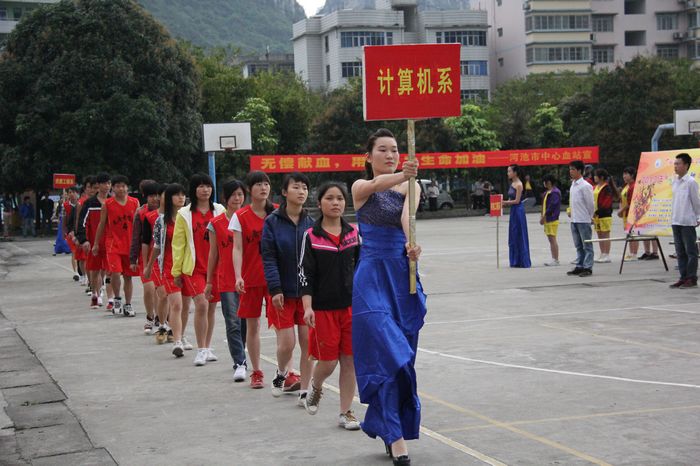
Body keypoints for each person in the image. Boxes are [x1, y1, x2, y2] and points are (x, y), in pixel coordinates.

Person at [351, 128, 425, 466]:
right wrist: (402, 174)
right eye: (383, 149)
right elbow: (377, 185)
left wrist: (411, 244)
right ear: (369, 156)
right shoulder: (360, 187)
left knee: (402, 360)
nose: (391, 154)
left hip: (401, 276)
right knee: (389, 352)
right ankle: (396, 440)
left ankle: (389, 426)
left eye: (394, 149)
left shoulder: (412, 186)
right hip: (370, 278)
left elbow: (408, 218)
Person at [300, 182, 360, 431]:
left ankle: (346, 412)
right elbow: (305, 274)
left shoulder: (354, 233)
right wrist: (308, 307)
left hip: (351, 308)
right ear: (320, 203)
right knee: (328, 362)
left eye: (340, 198)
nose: (336, 203)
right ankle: (315, 386)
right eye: (330, 198)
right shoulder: (311, 236)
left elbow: (362, 267)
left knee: (349, 361)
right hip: (323, 309)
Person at [262, 172, 314, 404]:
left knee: (308, 343)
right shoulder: (272, 222)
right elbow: (269, 257)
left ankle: (305, 391)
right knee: (287, 344)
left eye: (304, 188)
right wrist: (275, 289)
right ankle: (281, 372)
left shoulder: (311, 223)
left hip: (306, 294)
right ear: (284, 192)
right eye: (296, 187)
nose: (301, 191)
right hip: (282, 292)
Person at [171, 174, 225, 366]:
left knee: (211, 308)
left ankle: (207, 347)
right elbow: (178, 244)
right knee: (201, 304)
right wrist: (176, 271)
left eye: (208, 186)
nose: (205, 190)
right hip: (193, 268)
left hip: (216, 268)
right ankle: (200, 349)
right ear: (194, 190)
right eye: (201, 186)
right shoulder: (184, 214)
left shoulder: (219, 210)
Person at [230, 171, 277, 389]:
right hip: (251, 278)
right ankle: (256, 372)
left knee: (282, 326)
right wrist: (238, 275)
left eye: (266, 184)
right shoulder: (240, 216)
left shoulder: (278, 212)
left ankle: (285, 371)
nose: (263, 188)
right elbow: (237, 248)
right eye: (258, 184)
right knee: (253, 325)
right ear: (250, 189)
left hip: (275, 279)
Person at [204, 179, 248, 382]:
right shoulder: (215, 223)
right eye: (233, 195)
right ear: (225, 198)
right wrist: (209, 281)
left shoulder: (249, 219)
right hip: (226, 279)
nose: (237, 198)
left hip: (248, 278)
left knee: (246, 322)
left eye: (240, 194)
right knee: (232, 322)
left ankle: (243, 351)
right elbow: (213, 254)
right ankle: (239, 362)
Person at [145, 183, 189, 357]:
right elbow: (157, 246)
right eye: (177, 194)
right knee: (176, 304)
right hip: (170, 267)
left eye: (183, 194)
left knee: (186, 305)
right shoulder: (161, 221)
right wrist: (149, 266)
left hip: (188, 267)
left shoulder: (189, 217)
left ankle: (182, 335)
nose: (181, 197)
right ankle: (177, 341)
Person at [93, 175, 140, 316]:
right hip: (113, 245)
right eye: (118, 186)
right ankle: (117, 298)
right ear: (113, 188)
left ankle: (128, 304)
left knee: (128, 276)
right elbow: (101, 224)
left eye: (123, 186)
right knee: (115, 272)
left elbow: (140, 225)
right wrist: (96, 243)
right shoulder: (107, 204)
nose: (121, 189)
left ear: (127, 187)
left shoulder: (135, 203)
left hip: (130, 246)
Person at [77, 172, 111, 309]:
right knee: (95, 270)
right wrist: (83, 240)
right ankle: (95, 295)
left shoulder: (113, 202)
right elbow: (81, 223)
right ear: (98, 185)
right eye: (104, 183)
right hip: (94, 243)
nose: (106, 186)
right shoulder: (90, 203)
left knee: (109, 271)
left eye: (108, 183)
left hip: (110, 243)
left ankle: (110, 298)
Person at [129, 180, 160, 332]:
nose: (155, 199)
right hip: (145, 257)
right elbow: (136, 237)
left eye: (157, 195)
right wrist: (133, 258)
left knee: (160, 291)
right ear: (145, 197)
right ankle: (149, 316)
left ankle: (160, 317)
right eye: (151, 196)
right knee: (149, 289)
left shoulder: (167, 211)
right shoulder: (140, 213)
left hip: (162, 258)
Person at [141, 184, 170, 344]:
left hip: (177, 262)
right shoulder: (151, 218)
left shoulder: (182, 216)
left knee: (174, 298)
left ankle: (171, 327)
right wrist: (147, 264)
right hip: (158, 262)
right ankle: (161, 325)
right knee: (162, 294)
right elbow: (147, 243)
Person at [669, 153, 700, 289]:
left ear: (686, 165)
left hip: (687, 222)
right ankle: (683, 277)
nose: (675, 166)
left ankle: (691, 278)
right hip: (676, 221)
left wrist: (698, 217)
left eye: (678, 163)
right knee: (680, 252)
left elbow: (696, 202)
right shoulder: (675, 181)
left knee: (691, 252)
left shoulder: (691, 182)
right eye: (675, 164)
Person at [567, 161, 595, 277]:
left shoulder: (586, 186)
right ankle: (580, 265)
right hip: (574, 219)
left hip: (583, 220)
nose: (571, 171)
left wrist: (590, 216)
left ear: (579, 171)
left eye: (573, 169)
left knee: (586, 245)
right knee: (578, 245)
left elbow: (590, 204)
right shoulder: (573, 185)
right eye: (570, 169)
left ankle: (588, 267)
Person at [502, 165, 531, 268]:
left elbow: (517, 201)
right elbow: (511, 199)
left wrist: (504, 202)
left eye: (509, 171)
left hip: (518, 211)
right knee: (513, 234)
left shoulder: (519, 184)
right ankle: (515, 260)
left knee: (519, 234)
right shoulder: (512, 183)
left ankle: (522, 260)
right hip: (513, 211)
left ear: (515, 173)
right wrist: (505, 203)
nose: (508, 173)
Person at [592, 169, 618, 264]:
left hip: (604, 214)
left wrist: (598, 211)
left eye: (596, 175)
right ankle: (602, 253)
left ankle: (607, 254)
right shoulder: (595, 187)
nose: (594, 177)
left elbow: (606, 202)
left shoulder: (607, 188)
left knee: (605, 234)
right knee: (599, 235)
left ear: (601, 177)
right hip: (596, 215)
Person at [618, 167, 639, 261]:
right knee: (629, 234)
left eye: (626, 174)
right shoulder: (626, 186)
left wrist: (621, 210)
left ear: (632, 175)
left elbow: (631, 202)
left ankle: (634, 254)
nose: (624, 176)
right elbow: (621, 199)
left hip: (632, 215)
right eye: (623, 174)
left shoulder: (633, 186)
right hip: (625, 214)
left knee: (633, 234)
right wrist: (620, 209)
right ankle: (631, 253)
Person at [540, 175, 561, 266]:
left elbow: (552, 206)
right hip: (547, 218)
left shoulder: (555, 192)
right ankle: (554, 258)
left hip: (551, 218)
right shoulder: (547, 192)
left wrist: (545, 216)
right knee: (550, 239)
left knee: (552, 239)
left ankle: (555, 259)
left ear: (548, 182)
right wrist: (542, 215)